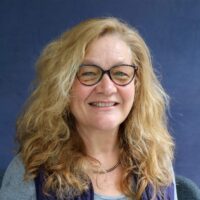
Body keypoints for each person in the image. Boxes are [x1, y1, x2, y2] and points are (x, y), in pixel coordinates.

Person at [0, 17, 178, 200]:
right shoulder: (28, 172)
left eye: (121, 74)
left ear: (137, 84)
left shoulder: (157, 165)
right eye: (89, 73)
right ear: (64, 84)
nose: (107, 88)